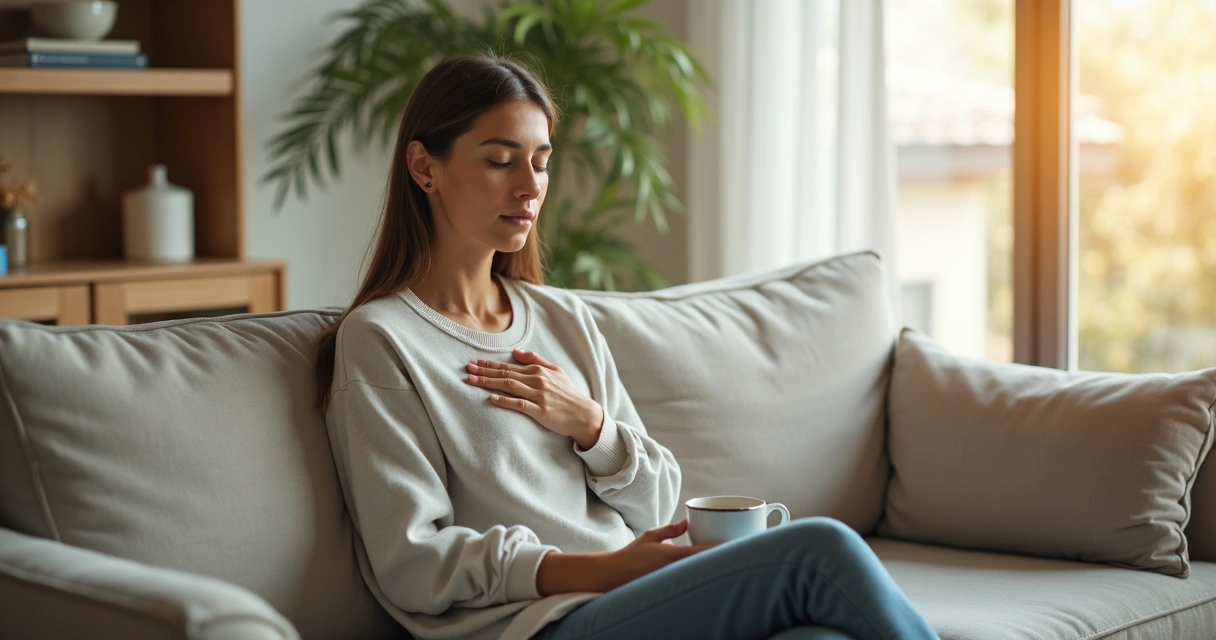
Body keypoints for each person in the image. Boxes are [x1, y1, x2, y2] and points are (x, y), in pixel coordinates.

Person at [315, 52, 939, 640]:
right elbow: (412, 561)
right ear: (425, 167)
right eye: (500, 160)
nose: (530, 187)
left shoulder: (564, 318)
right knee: (820, 549)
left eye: (540, 161)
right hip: (542, 623)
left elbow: (660, 501)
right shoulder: (382, 341)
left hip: (635, 594)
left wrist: (591, 426)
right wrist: (598, 571)